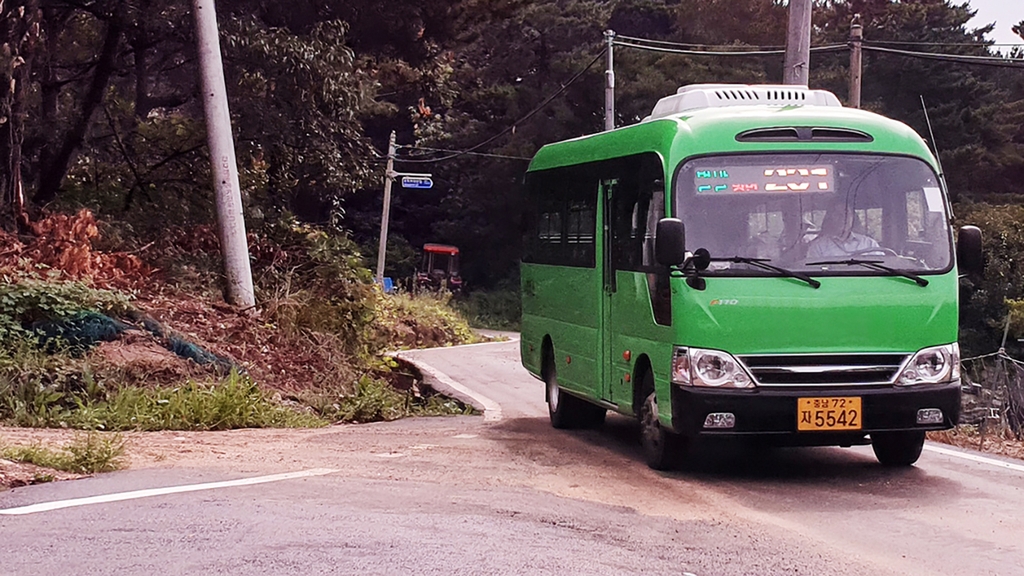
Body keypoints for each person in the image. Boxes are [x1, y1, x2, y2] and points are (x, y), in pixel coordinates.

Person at [806, 200, 880, 260]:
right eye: (837, 214)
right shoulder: (818, 247)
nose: (843, 218)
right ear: (830, 218)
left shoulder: (869, 244)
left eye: (846, 213)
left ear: (853, 218)